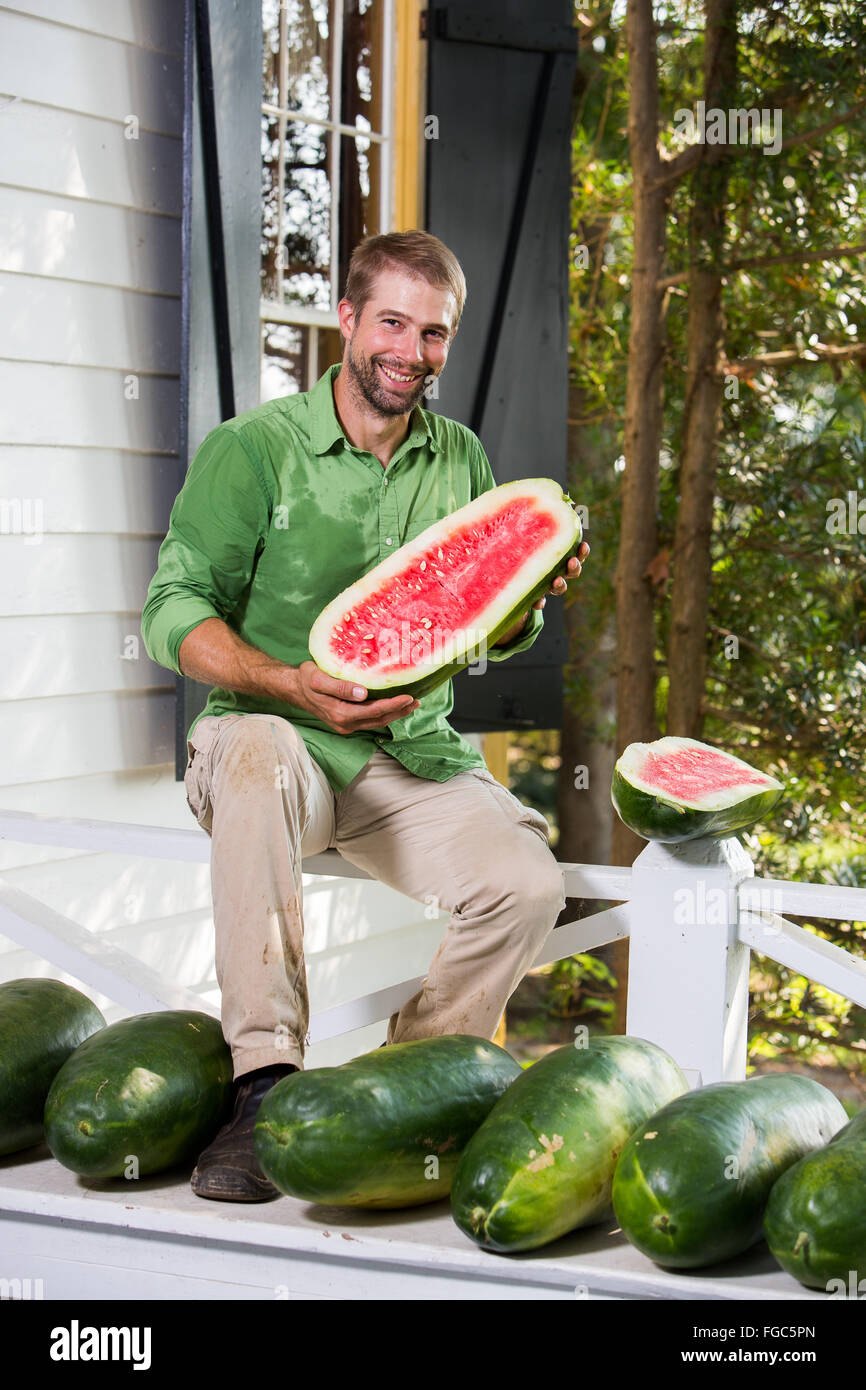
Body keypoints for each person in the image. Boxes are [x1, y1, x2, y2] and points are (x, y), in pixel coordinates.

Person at [141, 230, 590, 1201]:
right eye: (391, 321)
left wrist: (523, 598)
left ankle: (397, 1093)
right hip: (274, 738)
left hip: (407, 755)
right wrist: (290, 683)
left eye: (434, 333)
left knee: (523, 881)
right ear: (345, 320)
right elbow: (171, 614)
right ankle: (263, 1080)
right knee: (258, 756)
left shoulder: (459, 456)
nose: (411, 350)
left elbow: (472, 632)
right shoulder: (251, 451)